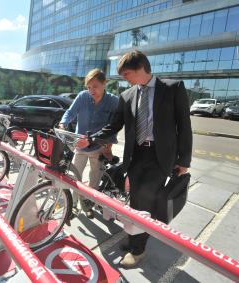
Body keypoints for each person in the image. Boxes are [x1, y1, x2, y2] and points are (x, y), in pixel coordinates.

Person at [78, 50, 192, 267]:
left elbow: (184, 125)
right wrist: (91, 139)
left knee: (143, 200)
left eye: (127, 74)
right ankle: (139, 236)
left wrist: (184, 161)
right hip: (136, 154)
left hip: (160, 156)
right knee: (135, 198)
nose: (125, 79)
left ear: (141, 69)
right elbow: (114, 125)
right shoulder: (127, 95)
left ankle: (137, 249)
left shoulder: (173, 88)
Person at [59, 69, 119, 219]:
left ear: (104, 83)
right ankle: (71, 205)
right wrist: (63, 123)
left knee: (94, 179)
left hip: (99, 146)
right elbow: (70, 112)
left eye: (95, 86)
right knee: (74, 176)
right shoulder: (82, 97)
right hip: (80, 145)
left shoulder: (113, 101)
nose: (91, 90)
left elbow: (115, 125)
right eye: (88, 87)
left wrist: (109, 144)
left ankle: (88, 204)